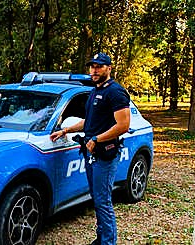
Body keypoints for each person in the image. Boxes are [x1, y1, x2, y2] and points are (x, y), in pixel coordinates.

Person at [49, 53, 130, 245]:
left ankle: (108, 242)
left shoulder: (116, 92)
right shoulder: (95, 91)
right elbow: (89, 122)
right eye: (92, 66)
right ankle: (101, 238)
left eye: (99, 66)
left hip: (105, 154)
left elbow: (123, 125)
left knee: (103, 201)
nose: (94, 70)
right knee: (96, 198)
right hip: (91, 153)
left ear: (109, 68)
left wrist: (97, 139)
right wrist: (66, 130)